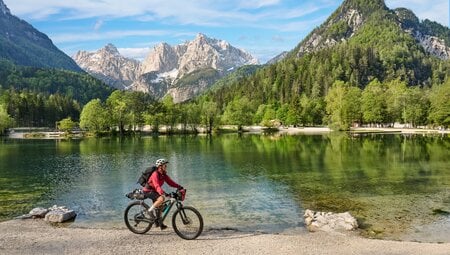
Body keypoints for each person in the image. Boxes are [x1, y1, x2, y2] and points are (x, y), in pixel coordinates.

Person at [143, 158, 183, 230]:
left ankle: (159, 223)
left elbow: (170, 182)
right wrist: (163, 193)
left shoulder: (163, 174)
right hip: (148, 190)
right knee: (161, 199)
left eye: (166, 165)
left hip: (155, 191)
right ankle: (149, 211)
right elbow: (156, 185)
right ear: (160, 166)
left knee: (160, 207)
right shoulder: (155, 174)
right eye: (165, 165)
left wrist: (179, 186)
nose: (166, 167)